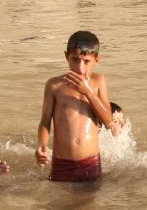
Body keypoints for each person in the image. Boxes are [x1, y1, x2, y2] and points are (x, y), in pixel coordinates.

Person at [36, 31, 121, 182]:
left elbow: (108, 120)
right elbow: (45, 121)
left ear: (96, 60)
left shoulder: (98, 81)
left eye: (86, 61)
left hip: (90, 162)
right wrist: (42, 144)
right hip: (62, 163)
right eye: (75, 59)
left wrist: (88, 92)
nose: (80, 68)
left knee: (91, 196)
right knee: (56, 196)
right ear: (66, 56)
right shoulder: (54, 85)